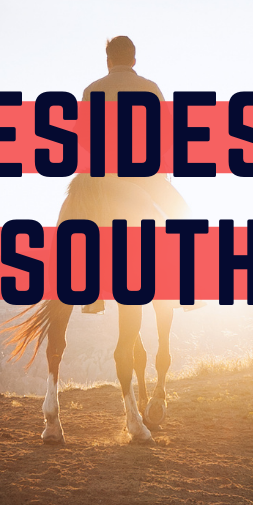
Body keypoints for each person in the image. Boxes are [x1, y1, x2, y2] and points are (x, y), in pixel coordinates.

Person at [71, 35, 193, 310]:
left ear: (108, 62)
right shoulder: (149, 87)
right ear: (134, 60)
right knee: (183, 216)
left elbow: (82, 133)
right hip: (142, 172)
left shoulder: (93, 89)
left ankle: (90, 294)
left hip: (102, 174)